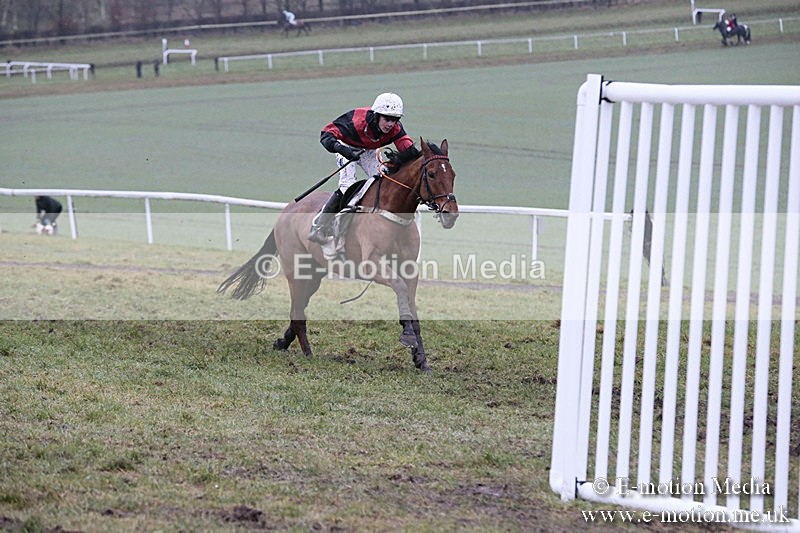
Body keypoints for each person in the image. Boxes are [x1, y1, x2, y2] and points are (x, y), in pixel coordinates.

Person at [307, 92, 414, 244]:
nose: (391, 124)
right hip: (345, 146)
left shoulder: (395, 128)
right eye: (387, 119)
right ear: (376, 115)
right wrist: (344, 150)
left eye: (395, 119)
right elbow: (325, 135)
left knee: (383, 179)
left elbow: (407, 149)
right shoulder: (356, 121)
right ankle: (318, 226)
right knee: (348, 185)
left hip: (368, 150)